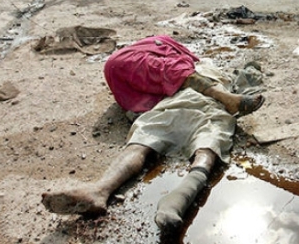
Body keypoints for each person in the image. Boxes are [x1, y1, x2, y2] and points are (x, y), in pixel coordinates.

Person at [41, 35, 265, 232]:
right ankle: (101, 190)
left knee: (163, 131)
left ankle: (174, 196)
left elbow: (175, 73)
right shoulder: (151, 59)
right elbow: (177, 72)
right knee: (202, 131)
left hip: (184, 96)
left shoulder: (163, 59)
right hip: (184, 97)